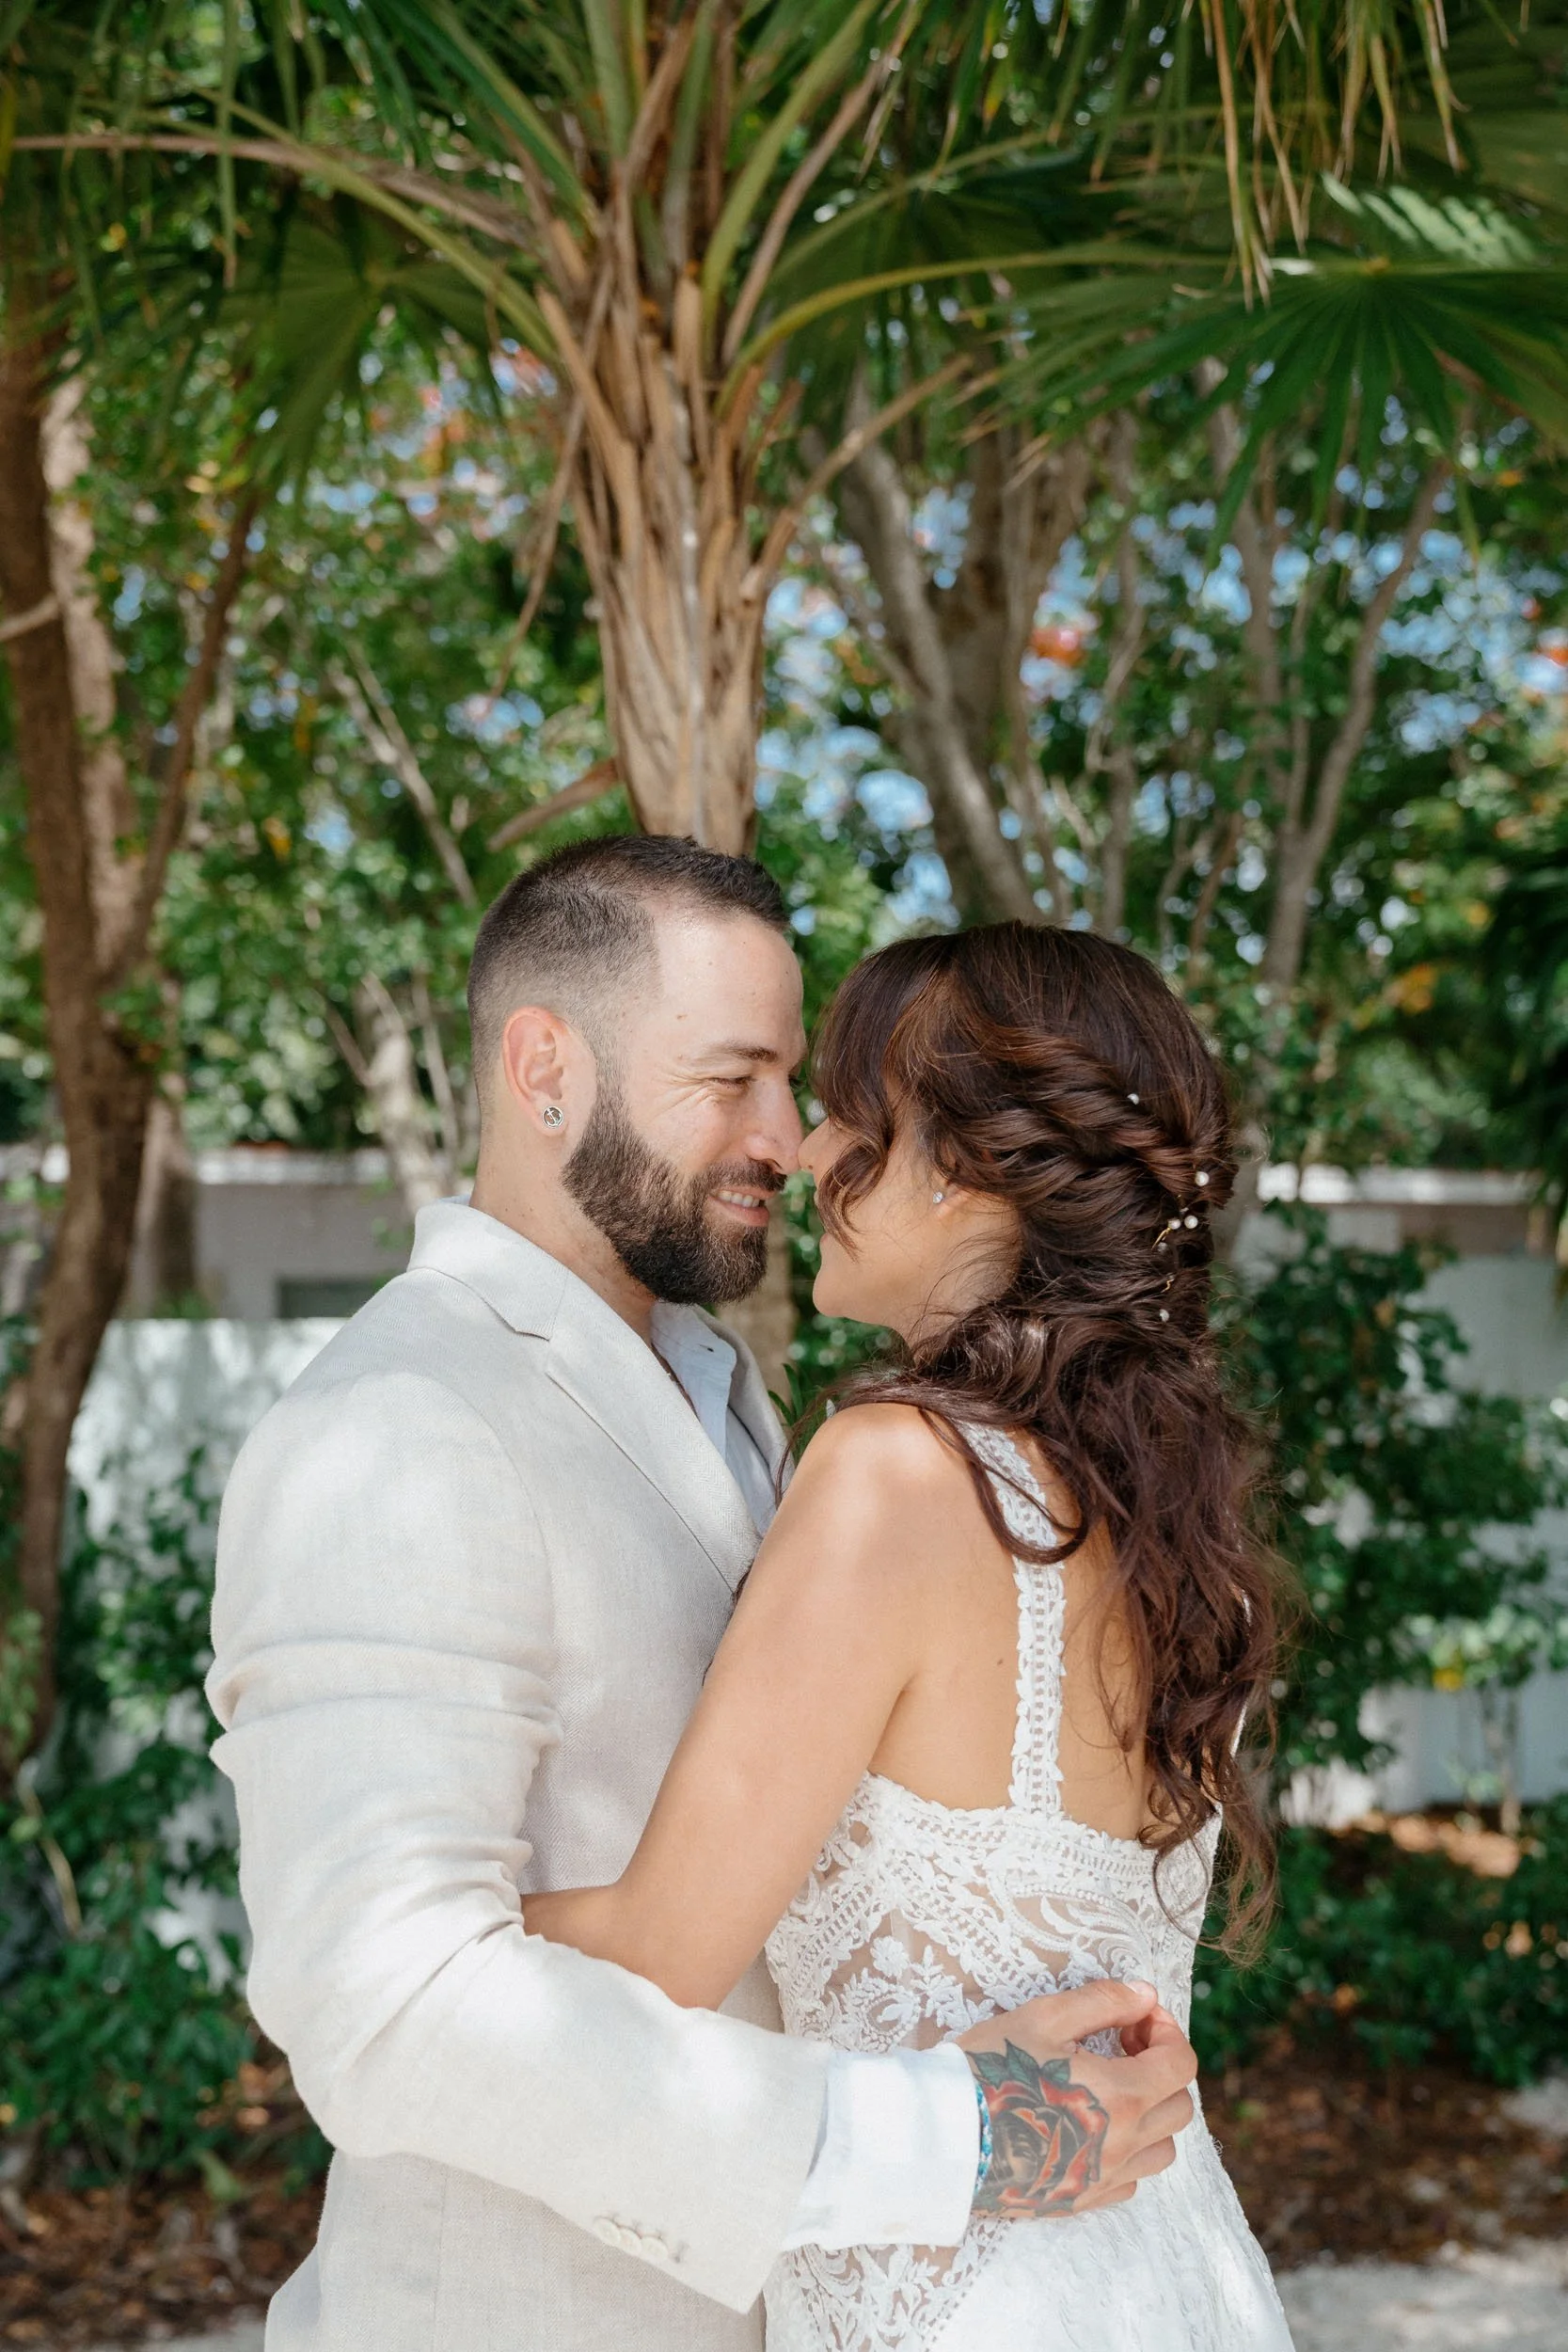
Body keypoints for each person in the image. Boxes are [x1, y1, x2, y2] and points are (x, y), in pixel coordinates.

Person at [207, 840, 1201, 2352]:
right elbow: (389, 2002)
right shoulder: (397, 1427)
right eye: (729, 1079)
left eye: (797, 1082)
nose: (788, 1138)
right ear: (546, 1071)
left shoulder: (759, 1409)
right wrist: (952, 2133)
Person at [523, 918, 1296, 2350]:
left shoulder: (898, 1479)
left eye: (856, 1117)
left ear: (974, 1178)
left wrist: (383, 1929)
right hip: (1174, 2275)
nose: (809, 1156)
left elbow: (652, 1960)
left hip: (968, 2301)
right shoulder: (1186, 1534)